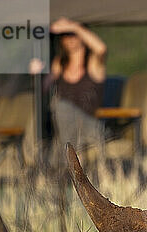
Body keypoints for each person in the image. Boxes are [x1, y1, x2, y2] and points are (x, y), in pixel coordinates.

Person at [45, 17, 108, 153]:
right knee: (56, 108)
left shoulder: (93, 63)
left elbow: (101, 49)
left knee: (61, 107)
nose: (70, 38)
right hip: (65, 126)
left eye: (73, 34)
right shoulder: (59, 64)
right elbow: (43, 87)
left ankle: (67, 161)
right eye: (65, 35)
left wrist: (73, 27)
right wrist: (36, 73)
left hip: (90, 124)